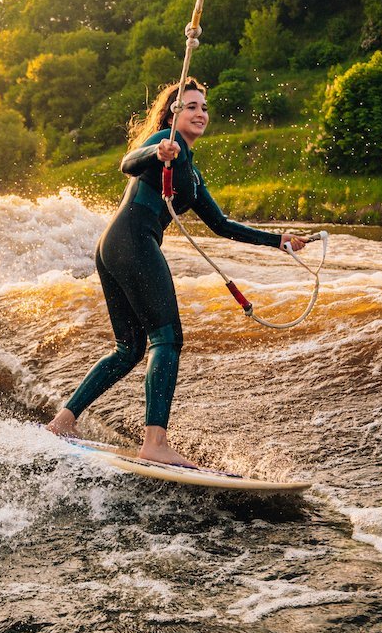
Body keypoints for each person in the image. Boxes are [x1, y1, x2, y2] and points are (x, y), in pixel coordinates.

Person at [45, 78, 309, 466]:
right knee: (166, 337)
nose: (200, 113)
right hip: (132, 240)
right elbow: (127, 163)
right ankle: (155, 443)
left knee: (129, 348)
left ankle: (62, 422)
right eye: (190, 107)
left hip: (115, 246)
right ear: (173, 114)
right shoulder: (162, 142)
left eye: (204, 107)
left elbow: (222, 225)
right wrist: (157, 154)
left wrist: (278, 241)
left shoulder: (192, 172)